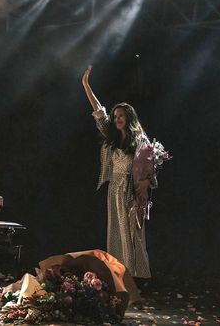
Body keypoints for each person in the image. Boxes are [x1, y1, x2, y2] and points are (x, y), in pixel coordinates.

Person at [82, 65, 168, 280]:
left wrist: (147, 182)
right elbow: (99, 112)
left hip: (131, 189)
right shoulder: (112, 137)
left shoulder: (140, 141)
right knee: (116, 233)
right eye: (116, 115)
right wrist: (86, 85)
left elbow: (151, 165)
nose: (117, 118)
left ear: (129, 118)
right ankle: (118, 274)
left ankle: (135, 276)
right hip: (115, 189)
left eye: (121, 116)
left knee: (132, 233)